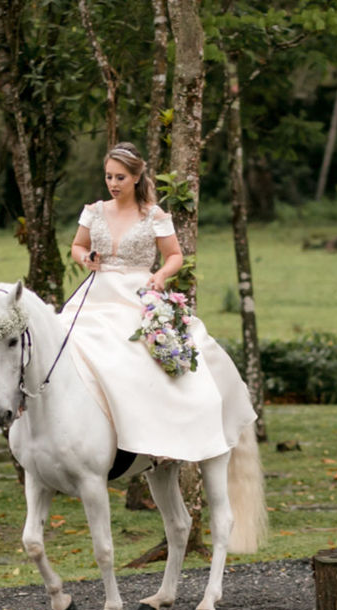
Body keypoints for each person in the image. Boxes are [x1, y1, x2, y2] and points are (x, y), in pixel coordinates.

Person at [66, 142, 255, 463]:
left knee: (142, 354)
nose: (113, 184)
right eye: (109, 177)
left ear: (137, 177)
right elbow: (76, 246)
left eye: (120, 177)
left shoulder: (154, 216)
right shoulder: (94, 211)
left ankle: (164, 430)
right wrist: (87, 258)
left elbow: (175, 255)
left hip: (137, 292)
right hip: (96, 293)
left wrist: (162, 275)